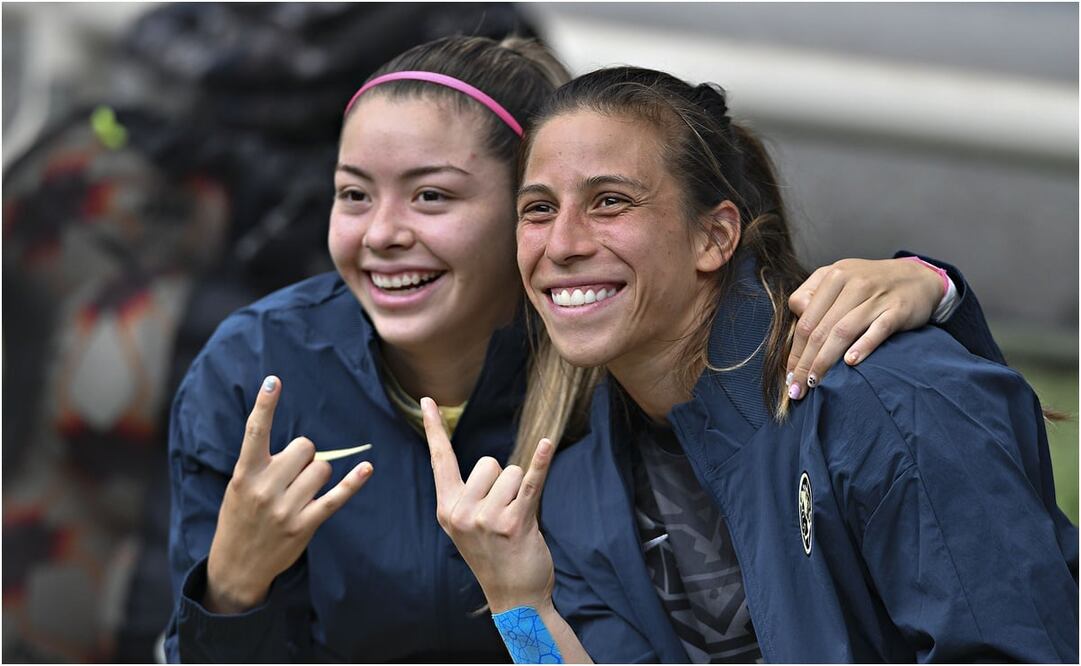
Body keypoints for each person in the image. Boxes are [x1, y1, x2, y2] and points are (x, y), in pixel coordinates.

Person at [166, 35, 1001, 662]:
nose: (384, 232)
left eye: (432, 195)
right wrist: (231, 589)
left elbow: (798, 347)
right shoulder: (259, 369)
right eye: (353, 194)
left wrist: (930, 283)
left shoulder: (612, 378)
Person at [421, 66, 1078, 663]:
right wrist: (520, 606)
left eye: (609, 202)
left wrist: (935, 283)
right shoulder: (576, 486)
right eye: (538, 210)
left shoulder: (889, 399)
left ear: (714, 236)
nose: (560, 244)